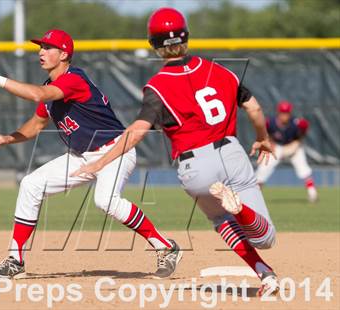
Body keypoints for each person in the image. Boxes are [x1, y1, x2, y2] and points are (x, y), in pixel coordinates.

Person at [72, 8, 279, 296]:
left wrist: (100, 163)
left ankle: (264, 272)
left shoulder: (157, 86)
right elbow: (254, 108)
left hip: (194, 167)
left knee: (221, 221)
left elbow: (137, 131)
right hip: (231, 153)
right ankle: (242, 211)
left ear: (153, 45)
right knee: (265, 237)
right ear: (187, 38)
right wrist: (263, 138)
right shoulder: (221, 71)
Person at [0, 29, 182, 279]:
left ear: (64, 54)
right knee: (31, 184)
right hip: (81, 156)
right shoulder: (49, 87)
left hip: (115, 150)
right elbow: (35, 125)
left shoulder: (74, 79)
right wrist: (9, 137)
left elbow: (36, 95)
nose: (41, 52)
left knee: (105, 200)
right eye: (40, 47)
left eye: (48, 47)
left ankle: (166, 247)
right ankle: (15, 260)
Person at [256, 101, 318, 202]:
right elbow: (262, 130)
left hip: (292, 147)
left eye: (287, 113)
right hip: (277, 147)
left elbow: (305, 127)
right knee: (263, 169)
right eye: (282, 113)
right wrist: (269, 141)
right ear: (278, 113)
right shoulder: (270, 122)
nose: (285, 115)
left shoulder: (296, 122)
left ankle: (312, 193)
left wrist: (298, 141)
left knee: (303, 168)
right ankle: (255, 195)